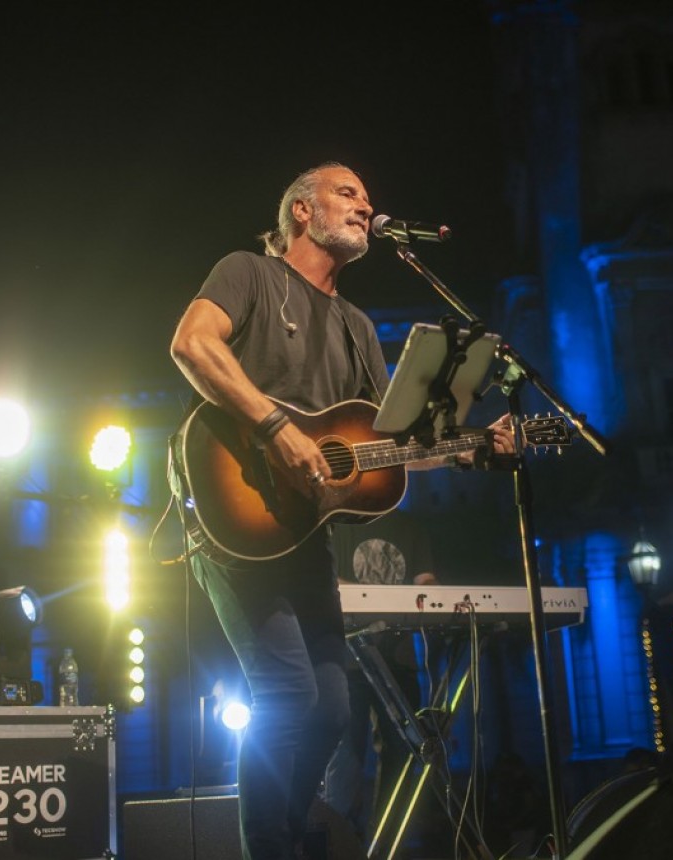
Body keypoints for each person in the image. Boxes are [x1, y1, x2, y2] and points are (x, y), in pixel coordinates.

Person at [169, 162, 515, 860]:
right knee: (286, 693)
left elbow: (385, 447)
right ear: (302, 209)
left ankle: (286, 836)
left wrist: (468, 449)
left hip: (303, 537)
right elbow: (191, 344)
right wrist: (275, 428)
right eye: (347, 193)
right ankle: (272, 848)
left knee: (329, 709)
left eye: (367, 198)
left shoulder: (358, 327)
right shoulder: (248, 273)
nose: (366, 206)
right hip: (234, 514)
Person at [323, 509, 437, 845]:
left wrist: (433, 594)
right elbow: (330, 581)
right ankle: (336, 844)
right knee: (346, 756)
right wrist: (384, 598)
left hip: (398, 661)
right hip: (348, 662)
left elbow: (425, 581)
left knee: (402, 752)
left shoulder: (410, 525)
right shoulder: (340, 523)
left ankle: (389, 843)